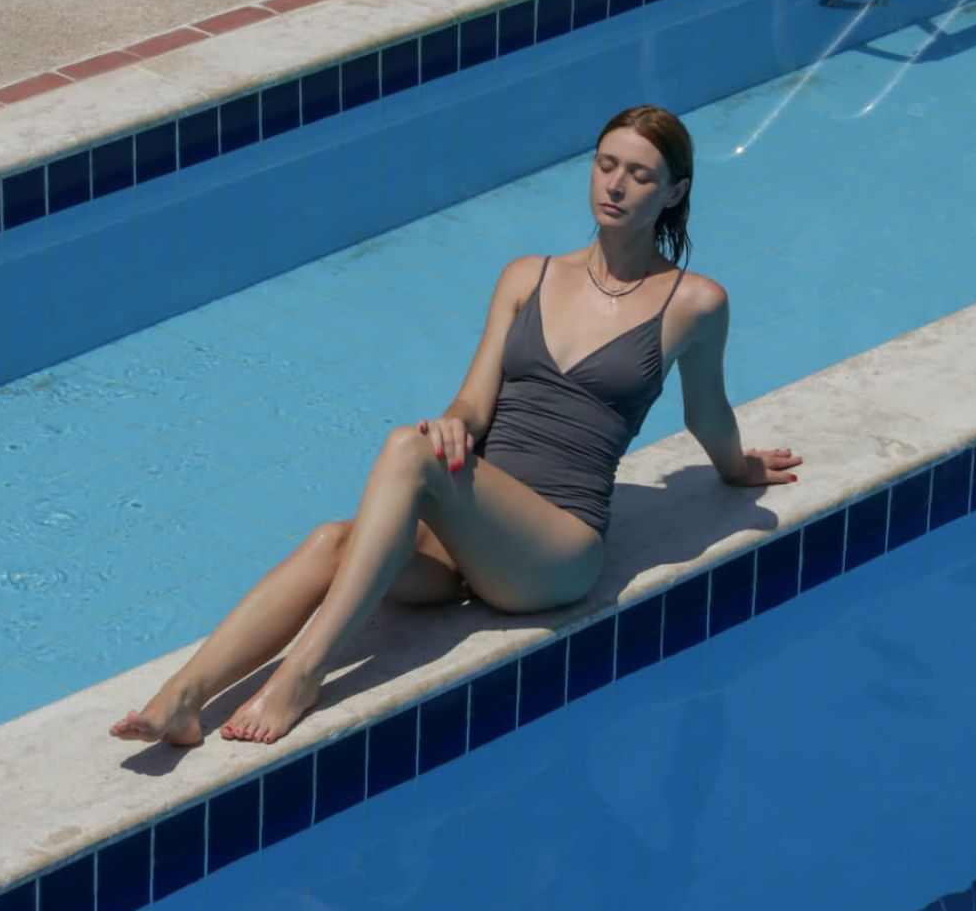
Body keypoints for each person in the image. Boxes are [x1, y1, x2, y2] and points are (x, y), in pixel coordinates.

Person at [111, 104, 800, 751]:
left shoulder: (694, 302)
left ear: (675, 191)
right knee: (330, 541)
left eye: (640, 174)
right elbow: (472, 403)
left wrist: (738, 467)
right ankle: (182, 698)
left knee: (406, 451)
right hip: (468, 542)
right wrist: (450, 426)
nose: (615, 185)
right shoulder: (527, 277)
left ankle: (302, 675)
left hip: (554, 549)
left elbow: (705, 411)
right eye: (606, 165)